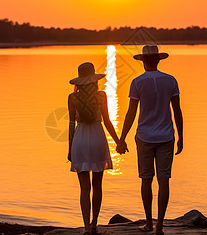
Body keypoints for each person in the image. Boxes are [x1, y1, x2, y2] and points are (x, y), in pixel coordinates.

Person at [117, 45, 183, 235]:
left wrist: (122, 139)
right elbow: (177, 111)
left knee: (146, 179)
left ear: (144, 61)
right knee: (164, 180)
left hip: (144, 137)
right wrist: (181, 137)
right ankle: (160, 225)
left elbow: (131, 113)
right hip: (166, 136)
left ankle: (148, 223)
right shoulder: (170, 80)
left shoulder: (137, 82)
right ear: (159, 60)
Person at [68, 62, 120, 235]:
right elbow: (107, 122)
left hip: (80, 140)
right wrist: (118, 141)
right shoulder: (102, 96)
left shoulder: (72, 98)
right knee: (97, 185)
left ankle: (85, 227)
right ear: (94, 80)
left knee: (84, 188)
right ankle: (95, 223)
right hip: (98, 138)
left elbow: (71, 124)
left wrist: (69, 149)